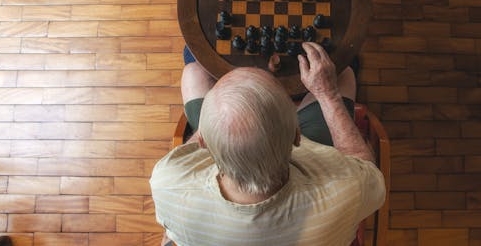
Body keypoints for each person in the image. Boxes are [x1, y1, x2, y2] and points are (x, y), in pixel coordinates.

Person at [150, 42, 385, 245]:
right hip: (309, 168)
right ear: (297, 135)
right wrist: (328, 94)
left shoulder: (168, 184)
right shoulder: (345, 193)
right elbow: (366, 168)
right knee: (345, 74)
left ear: (202, 141)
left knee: (193, 66)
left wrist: (220, 122)